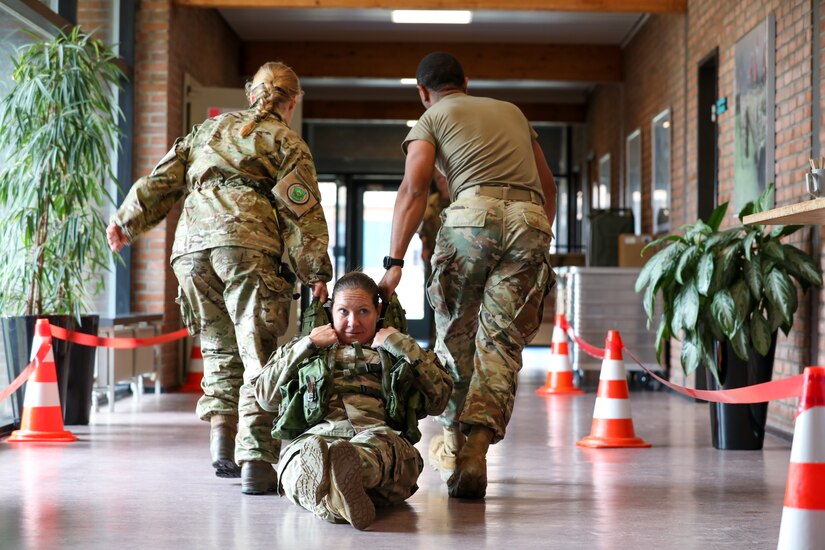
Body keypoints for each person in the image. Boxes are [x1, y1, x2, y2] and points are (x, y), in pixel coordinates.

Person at [106, 61, 332, 495]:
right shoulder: (287, 142)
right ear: (292, 101)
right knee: (257, 351)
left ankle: (221, 442)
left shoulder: (207, 130)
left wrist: (125, 222)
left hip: (191, 249)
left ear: (251, 93)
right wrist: (316, 272)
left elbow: (162, 181)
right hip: (246, 247)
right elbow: (300, 212)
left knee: (216, 344)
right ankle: (255, 460)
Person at [378, 52, 557, 499]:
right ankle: (478, 446)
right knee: (501, 342)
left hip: (471, 216)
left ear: (422, 92)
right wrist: (536, 233)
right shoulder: (513, 112)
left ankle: (454, 444)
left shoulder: (432, 117)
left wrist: (394, 262)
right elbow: (548, 185)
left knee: (456, 336)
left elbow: (414, 188)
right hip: (530, 220)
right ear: (466, 81)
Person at [254, 272, 453, 530]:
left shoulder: (397, 349)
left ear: (377, 310)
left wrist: (401, 346)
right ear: (330, 312)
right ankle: (341, 493)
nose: (352, 322)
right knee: (296, 466)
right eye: (343, 312)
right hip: (316, 440)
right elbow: (265, 397)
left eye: (363, 311)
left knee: (374, 453)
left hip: (380, 440)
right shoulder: (307, 348)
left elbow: (440, 400)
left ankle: (342, 477)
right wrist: (307, 344)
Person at [418, 170, 450, 348]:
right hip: (434, 260)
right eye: (438, 179)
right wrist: (424, 247)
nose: (442, 182)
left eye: (444, 178)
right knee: (435, 299)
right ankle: (434, 338)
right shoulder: (432, 202)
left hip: (456, 257)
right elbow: (423, 229)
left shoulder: (458, 200)